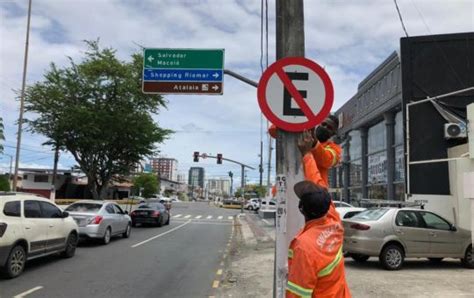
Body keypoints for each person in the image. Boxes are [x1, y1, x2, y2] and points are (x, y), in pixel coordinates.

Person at [286, 131, 351, 298]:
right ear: (327, 206)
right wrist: (307, 154)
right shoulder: (335, 223)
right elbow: (317, 181)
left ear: (301, 209)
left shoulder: (304, 246)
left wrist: (306, 152)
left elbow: (297, 293)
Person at [268, 114, 342, 186]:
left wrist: (314, 142)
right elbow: (273, 130)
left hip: (314, 191)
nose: (325, 127)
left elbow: (327, 160)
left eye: (329, 128)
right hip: (289, 186)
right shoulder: (301, 135)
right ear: (319, 124)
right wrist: (294, 120)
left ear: (333, 133)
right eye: (323, 124)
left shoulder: (334, 149)